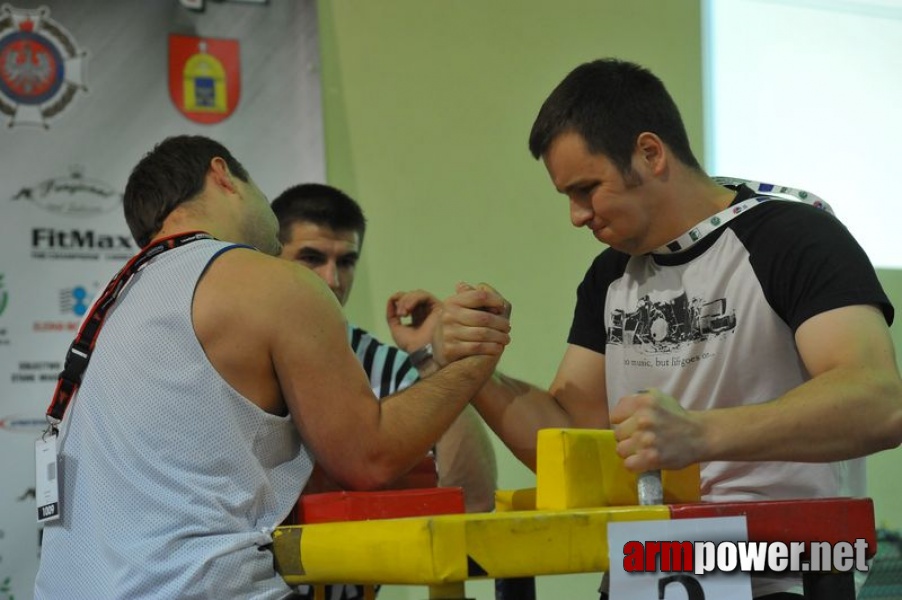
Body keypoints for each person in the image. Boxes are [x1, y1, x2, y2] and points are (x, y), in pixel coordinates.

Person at [434, 58, 902, 599]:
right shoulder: (611, 273)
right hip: (648, 571)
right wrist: (474, 367)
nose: (577, 216)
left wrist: (701, 435)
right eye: (567, 196)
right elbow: (568, 439)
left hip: (780, 572)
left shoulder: (794, 237)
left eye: (587, 189)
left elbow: (880, 402)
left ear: (650, 154)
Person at [33, 135, 510, 600]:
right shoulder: (273, 284)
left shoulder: (107, 308)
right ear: (222, 175)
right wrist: (472, 363)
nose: (330, 277)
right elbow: (370, 460)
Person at [270, 183, 498, 600]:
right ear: (271, 256)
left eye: (347, 261)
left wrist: (430, 359)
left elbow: (472, 501)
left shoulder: (383, 365)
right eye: (312, 258)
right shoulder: (236, 356)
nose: (332, 280)